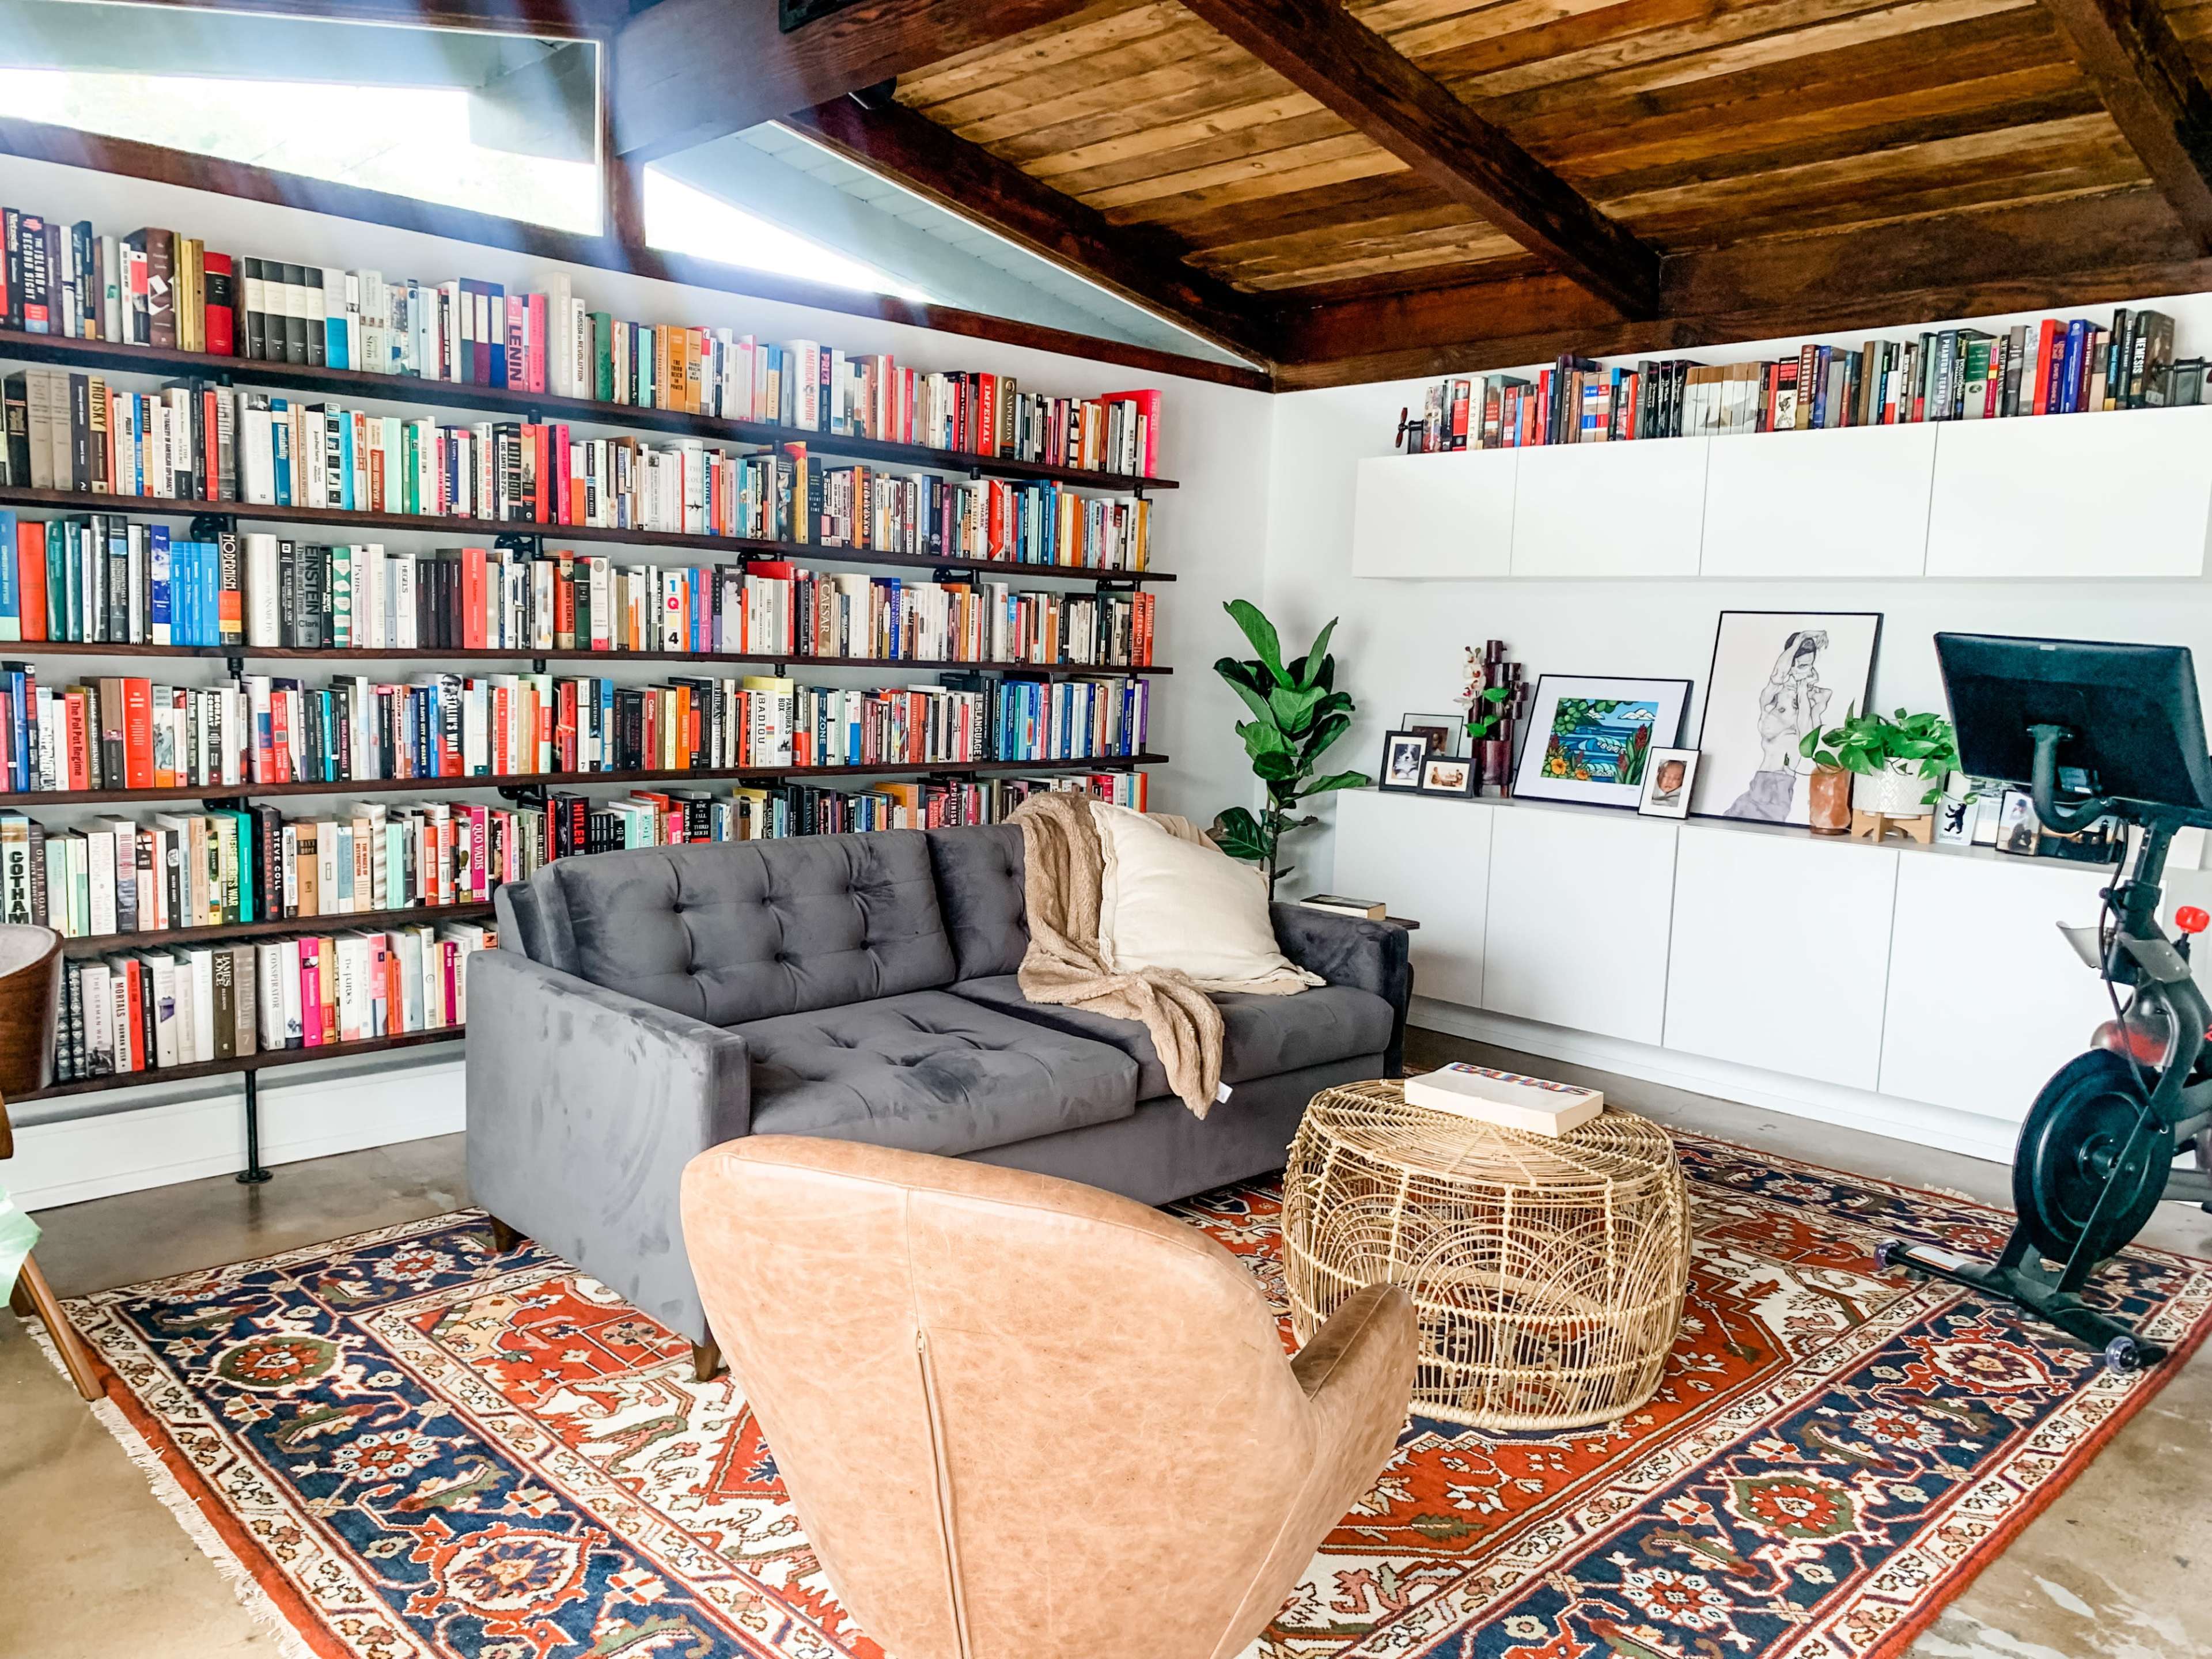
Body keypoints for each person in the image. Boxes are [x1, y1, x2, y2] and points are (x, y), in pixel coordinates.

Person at [1725, 630, 1831, 821]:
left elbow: (1806, 735)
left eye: (1807, 666)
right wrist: (1799, 641)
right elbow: (1778, 675)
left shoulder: (1816, 701)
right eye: (1796, 665)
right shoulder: (1772, 699)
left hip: (1779, 791)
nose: (1802, 671)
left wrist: (1803, 693)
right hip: (1759, 787)